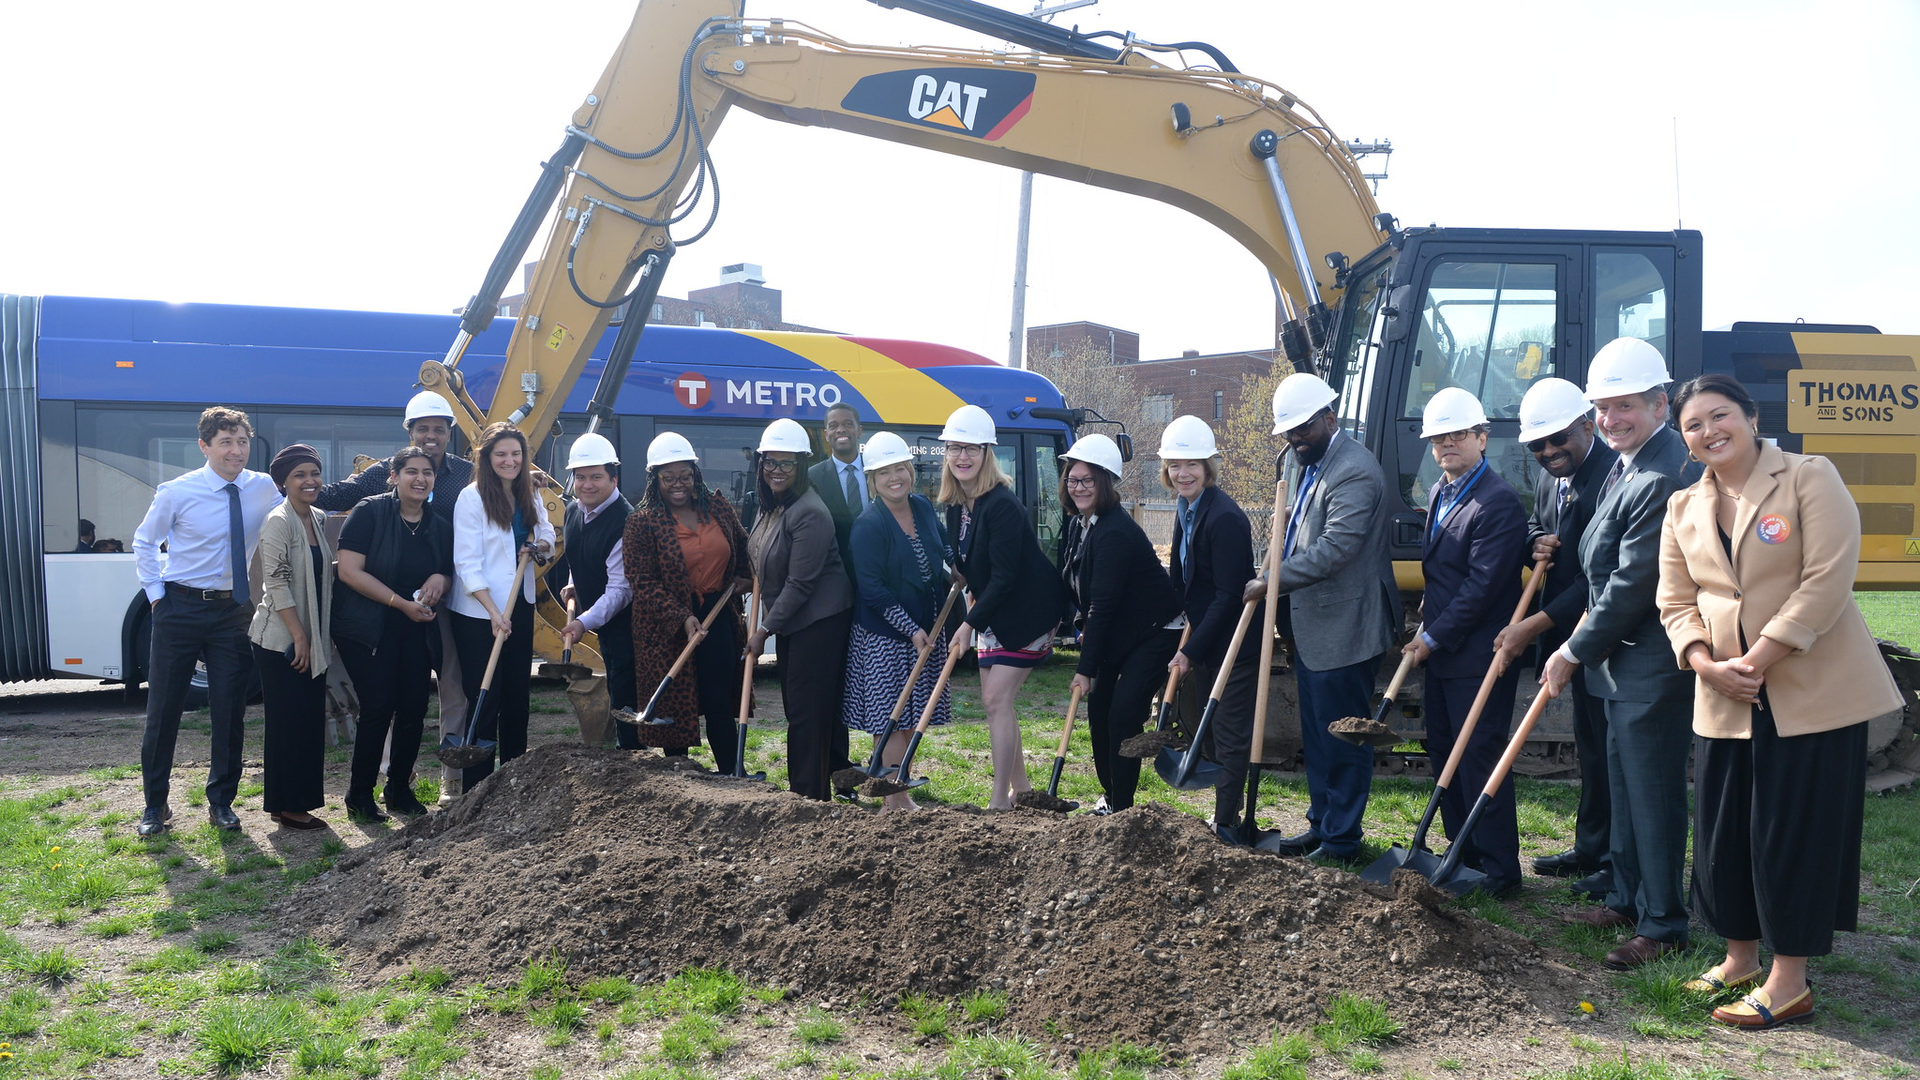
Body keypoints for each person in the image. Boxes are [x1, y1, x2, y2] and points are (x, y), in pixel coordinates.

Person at [1657, 374, 1898, 1029]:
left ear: (1750, 414)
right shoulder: (1682, 507)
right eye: (1694, 425)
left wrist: (1757, 661)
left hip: (1809, 694)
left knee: (1794, 835)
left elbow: (1827, 579)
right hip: (1723, 698)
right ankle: (1738, 959)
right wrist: (1707, 664)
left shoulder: (1808, 477)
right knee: (1726, 834)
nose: (1710, 431)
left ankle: (1789, 980)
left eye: (1720, 415)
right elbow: (1675, 602)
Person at [1544, 337, 1702, 969]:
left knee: (1654, 792)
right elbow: (1605, 570)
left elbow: (1636, 583)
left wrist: (1571, 651)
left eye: (1625, 406)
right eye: (1602, 408)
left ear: (1660, 401)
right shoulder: (1629, 462)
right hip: (1620, 664)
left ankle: (1663, 923)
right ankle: (1628, 896)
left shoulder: (1663, 472)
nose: (1610, 420)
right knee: (1625, 789)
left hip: (1648, 663)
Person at [1244, 376, 1400, 861]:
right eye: (1288, 431)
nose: (1294, 439)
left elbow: (1335, 550)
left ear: (1330, 419)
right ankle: (1322, 824)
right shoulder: (1308, 460)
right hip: (1313, 626)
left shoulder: (1354, 470)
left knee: (1343, 737)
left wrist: (1271, 582)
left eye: (1303, 429)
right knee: (1317, 734)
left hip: (1345, 627)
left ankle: (1342, 840)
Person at [316, 390, 474, 801]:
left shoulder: (467, 475)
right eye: (423, 429)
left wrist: (443, 575)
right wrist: (291, 484)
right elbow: (334, 499)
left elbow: (465, 537)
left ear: (449, 433)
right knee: (381, 703)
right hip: (375, 619)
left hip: (436, 610)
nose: (431, 436)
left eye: (439, 429)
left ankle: (443, 779)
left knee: (437, 694)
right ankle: (375, 784)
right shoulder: (377, 490)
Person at [1493, 378, 1618, 898]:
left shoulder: (1610, 479)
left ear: (1587, 426)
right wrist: (1530, 539)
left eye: (1558, 438)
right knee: (1590, 747)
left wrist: (1533, 625)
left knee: (1612, 754)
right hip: (1571, 636)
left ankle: (1614, 862)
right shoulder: (1552, 480)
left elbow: (1595, 582)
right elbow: (1538, 529)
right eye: (1538, 445)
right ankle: (1591, 849)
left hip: (1606, 636)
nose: (1548, 452)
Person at [132, 406, 282, 837]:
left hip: (232, 612)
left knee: (229, 710)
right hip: (179, 608)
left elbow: (297, 509)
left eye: (242, 442)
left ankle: (221, 802)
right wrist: (157, 597)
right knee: (163, 711)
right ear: (205, 446)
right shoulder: (178, 492)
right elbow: (144, 540)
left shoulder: (262, 487)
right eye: (226, 443)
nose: (236, 452)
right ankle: (155, 807)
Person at [1402, 388, 1527, 895]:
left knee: (1479, 755)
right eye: (1439, 437)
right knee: (1443, 749)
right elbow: (1442, 577)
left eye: (1458, 434)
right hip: (1446, 651)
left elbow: (1481, 589)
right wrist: (1426, 623)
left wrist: (1434, 636)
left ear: (1482, 437)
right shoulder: (1440, 492)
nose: (1447, 443)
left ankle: (1499, 870)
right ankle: (1461, 852)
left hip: (1480, 655)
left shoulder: (1496, 502)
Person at [940, 405, 1064, 811]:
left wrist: (967, 625)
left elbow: (1006, 576)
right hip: (994, 611)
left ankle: (999, 801)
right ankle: (1022, 789)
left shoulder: (1002, 505)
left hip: (1028, 612)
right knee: (997, 703)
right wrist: (962, 575)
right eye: (956, 448)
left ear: (987, 454)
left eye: (972, 449)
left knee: (995, 700)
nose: (963, 457)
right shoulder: (957, 505)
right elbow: (977, 563)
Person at [1058, 434, 1180, 814]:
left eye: (1087, 481)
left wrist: (1085, 668)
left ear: (1106, 483)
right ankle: (1112, 797)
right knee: (1099, 713)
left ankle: (1123, 811)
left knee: (1123, 714)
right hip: (1120, 634)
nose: (1078, 488)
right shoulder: (1083, 524)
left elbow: (1103, 608)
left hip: (1156, 631)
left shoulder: (1114, 532)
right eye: (1072, 480)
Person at [332, 446, 452, 822]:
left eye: (427, 473)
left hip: (415, 628)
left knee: (415, 708)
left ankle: (399, 788)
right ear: (393, 476)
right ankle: (359, 794)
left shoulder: (438, 523)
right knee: (379, 706)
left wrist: (440, 578)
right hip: (367, 627)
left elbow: (449, 571)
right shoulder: (370, 511)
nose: (420, 479)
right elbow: (349, 571)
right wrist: (400, 603)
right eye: (411, 471)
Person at [623, 432, 752, 765]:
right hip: (666, 626)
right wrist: (681, 616)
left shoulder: (719, 508)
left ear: (696, 474)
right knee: (674, 704)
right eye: (668, 478)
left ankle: (732, 771)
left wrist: (744, 580)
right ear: (655, 479)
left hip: (717, 612)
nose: (677, 484)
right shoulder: (642, 523)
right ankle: (679, 776)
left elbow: (742, 548)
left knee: (718, 698)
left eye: (684, 475)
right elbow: (642, 581)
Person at [1161, 415, 1260, 836]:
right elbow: (1182, 583)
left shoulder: (1225, 519)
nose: (1182, 474)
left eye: (1192, 465)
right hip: (1205, 637)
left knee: (1230, 732)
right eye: (1174, 466)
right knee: (1211, 731)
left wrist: (1191, 650)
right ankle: (1224, 814)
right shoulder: (1185, 509)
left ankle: (1227, 825)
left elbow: (1227, 595)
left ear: (1208, 467)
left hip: (1233, 645)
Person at [843, 430, 952, 812]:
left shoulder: (921, 506)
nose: (895, 478)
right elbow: (872, 590)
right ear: (872, 480)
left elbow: (944, 543)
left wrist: (958, 569)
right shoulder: (868, 526)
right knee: (888, 718)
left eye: (900, 469)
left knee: (905, 718)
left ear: (910, 470)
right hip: (884, 638)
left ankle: (891, 796)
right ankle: (897, 798)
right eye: (884, 472)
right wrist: (911, 630)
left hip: (922, 628)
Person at [745, 418, 854, 800]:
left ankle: (808, 797)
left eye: (786, 463)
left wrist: (762, 632)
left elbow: (801, 583)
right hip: (797, 621)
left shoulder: (809, 511)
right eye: (770, 463)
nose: (777, 471)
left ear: (802, 466)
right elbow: (763, 554)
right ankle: (819, 785)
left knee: (807, 711)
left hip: (819, 621)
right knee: (802, 707)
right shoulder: (771, 505)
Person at [448, 422, 554, 789]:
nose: (509, 461)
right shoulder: (472, 498)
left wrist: (538, 547)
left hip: (519, 603)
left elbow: (547, 534)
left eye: (516, 454)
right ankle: (479, 785)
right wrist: (494, 613)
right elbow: (467, 563)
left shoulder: (529, 492)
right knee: (485, 693)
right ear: (486, 458)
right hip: (479, 612)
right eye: (501, 454)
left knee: (516, 697)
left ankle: (514, 779)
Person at [245, 445, 336, 830]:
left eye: (314, 473)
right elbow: (276, 582)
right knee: (290, 722)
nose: (310, 481)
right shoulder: (278, 521)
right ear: (283, 482)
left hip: (307, 635)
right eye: (300, 475)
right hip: (280, 639)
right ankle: (290, 806)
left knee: (305, 721)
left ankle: (287, 804)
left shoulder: (316, 517)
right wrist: (299, 637)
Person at [553, 433, 639, 749]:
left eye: (596, 477)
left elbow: (620, 590)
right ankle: (623, 751)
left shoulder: (624, 523)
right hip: (603, 620)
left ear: (613, 478)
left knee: (625, 686)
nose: (587, 484)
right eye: (580, 477)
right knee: (615, 681)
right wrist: (574, 581)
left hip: (629, 625)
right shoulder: (574, 511)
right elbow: (579, 552)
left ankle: (632, 755)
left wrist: (582, 622)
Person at [807, 403, 868, 790]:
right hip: (832, 598)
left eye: (847, 423)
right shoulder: (812, 478)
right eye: (833, 426)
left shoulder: (881, 473)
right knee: (832, 681)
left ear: (859, 430)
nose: (841, 430)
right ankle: (836, 768)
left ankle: (884, 766)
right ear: (825, 434)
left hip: (877, 596)